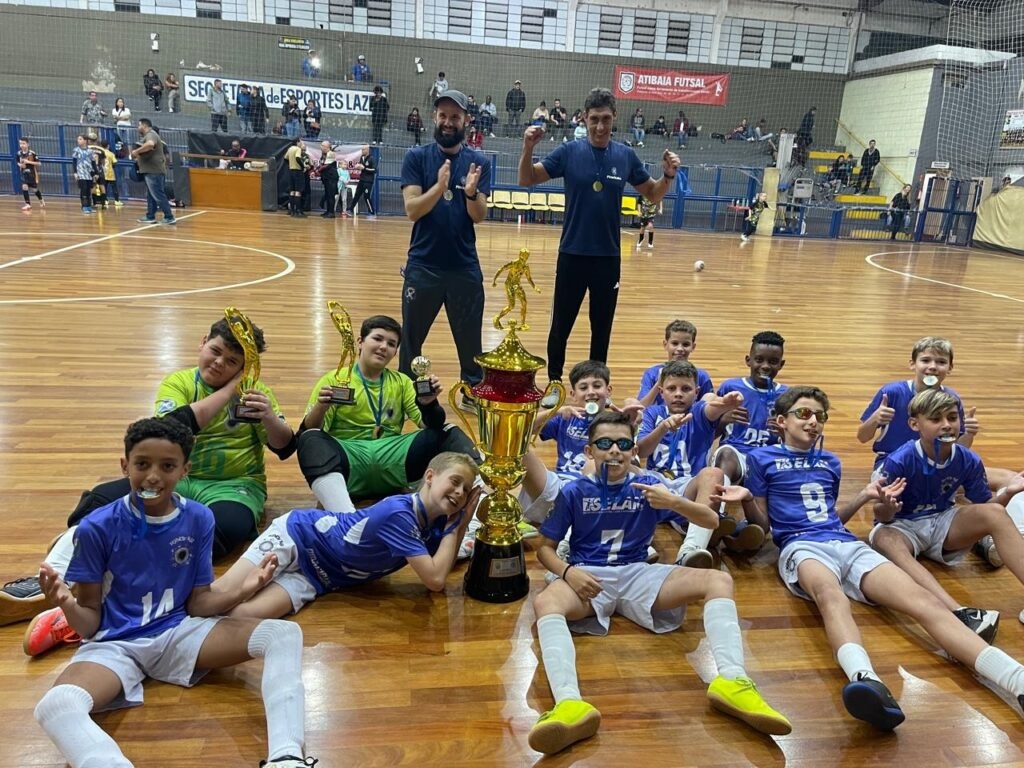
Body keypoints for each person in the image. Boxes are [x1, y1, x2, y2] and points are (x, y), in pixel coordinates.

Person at [717, 385, 1024, 730]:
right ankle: (865, 678)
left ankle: (1016, 680)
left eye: (820, 415)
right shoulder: (760, 460)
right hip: (800, 545)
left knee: (923, 602)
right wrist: (745, 500)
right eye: (803, 413)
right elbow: (766, 528)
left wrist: (863, 496)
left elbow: (834, 518)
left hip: (845, 542)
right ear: (781, 421)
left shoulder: (831, 462)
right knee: (830, 596)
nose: (813, 421)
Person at [29, 418, 315, 768]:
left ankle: (287, 757)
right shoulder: (95, 528)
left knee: (283, 633)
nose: (153, 476)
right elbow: (90, 625)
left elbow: (199, 603)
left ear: (185, 470)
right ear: (124, 465)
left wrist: (245, 589)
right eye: (142, 464)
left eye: (167, 466)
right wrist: (66, 604)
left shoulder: (199, 518)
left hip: (178, 632)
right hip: (115, 644)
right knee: (57, 705)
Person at [527, 411, 791, 755]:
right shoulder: (574, 491)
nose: (614, 451)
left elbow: (711, 518)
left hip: (639, 572)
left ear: (633, 449)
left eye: (623, 444)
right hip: (588, 574)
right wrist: (567, 572)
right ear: (590, 451)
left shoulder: (650, 487)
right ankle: (569, 705)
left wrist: (675, 501)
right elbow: (544, 550)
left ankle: (733, 681)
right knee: (546, 602)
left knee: (717, 582)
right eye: (604, 444)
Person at [518, 87, 679, 404]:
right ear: (584, 118)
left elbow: (653, 193)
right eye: (594, 119)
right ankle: (554, 384)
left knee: (600, 328)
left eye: (606, 119)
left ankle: (596, 388)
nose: (600, 126)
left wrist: (668, 175)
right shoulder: (568, 152)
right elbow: (527, 179)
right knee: (560, 324)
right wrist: (527, 148)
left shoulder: (625, 155)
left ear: (614, 118)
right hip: (572, 254)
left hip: (607, 258)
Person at [208, 452, 479, 620]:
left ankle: (188, 639)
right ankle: (168, 622)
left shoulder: (437, 522)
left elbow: (439, 572)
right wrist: (458, 525)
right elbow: (434, 579)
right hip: (297, 536)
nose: (459, 493)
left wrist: (460, 524)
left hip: (320, 578)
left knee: (242, 616)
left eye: (466, 490)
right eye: (455, 481)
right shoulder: (399, 513)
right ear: (430, 476)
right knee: (220, 595)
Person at [869, 389, 1024, 640]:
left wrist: (1009, 493)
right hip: (901, 525)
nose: (946, 425)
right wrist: (887, 506)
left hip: (943, 521)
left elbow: (987, 506)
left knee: (995, 513)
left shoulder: (968, 460)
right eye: (936, 419)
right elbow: (881, 517)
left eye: (952, 418)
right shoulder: (900, 460)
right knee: (884, 537)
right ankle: (958, 612)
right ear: (914, 424)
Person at [295, 314, 476, 513]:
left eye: (391, 344)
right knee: (308, 438)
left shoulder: (402, 382)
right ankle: (345, 515)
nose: (383, 347)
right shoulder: (335, 379)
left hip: (393, 458)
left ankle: (483, 499)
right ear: (360, 342)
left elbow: (429, 425)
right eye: (378, 338)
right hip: (349, 458)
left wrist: (429, 404)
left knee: (447, 431)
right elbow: (312, 431)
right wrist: (321, 406)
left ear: (395, 352)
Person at [398, 90, 490, 397]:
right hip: (424, 265)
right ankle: (409, 395)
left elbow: (478, 216)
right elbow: (412, 210)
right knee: (411, 339)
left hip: (464, 266)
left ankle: (471, 392)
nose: (448, 122)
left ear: (466, 120)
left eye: (455, 116)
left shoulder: (478, 162)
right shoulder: (417, 157)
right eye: (443, 116)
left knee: (470, 340)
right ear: (434, 119)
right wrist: (439, 187)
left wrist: (470, 193)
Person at [637, 361, 746, 566]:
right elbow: (642, 451)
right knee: (629, 469)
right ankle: (640, 546)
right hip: (655, 483)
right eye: (672, 388)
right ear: (661, 391)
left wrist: (725, 404)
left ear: (696, 392)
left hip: (688, 487)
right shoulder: (652, 413)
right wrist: (662, 429)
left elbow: (712, 409)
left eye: (686, 389)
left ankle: (690, 551)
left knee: (714, 473)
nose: (678, 394)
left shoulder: (698, 412)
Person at [857, 336, 973, 474]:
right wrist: (874, 419)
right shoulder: (891, 393)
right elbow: (862, 437)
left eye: (941, 362)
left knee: (1000, 477)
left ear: (950, 367)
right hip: (894, 464)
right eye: (925, 360)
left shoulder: (952, 399)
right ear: (912, 364)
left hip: (937, 465)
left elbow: (958, 448)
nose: (933, 367)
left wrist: (969, 433)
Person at [712, 330, 788, 487]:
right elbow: (708, 434)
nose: (765, 366)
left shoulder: (787, 395)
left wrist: (784, 433)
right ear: (748, 360)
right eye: (759, 360)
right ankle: (719, 508)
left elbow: (795, 442)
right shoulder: (730, 387)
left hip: (769, 458)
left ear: (781, 364)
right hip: (736, 454)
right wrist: (723, 421)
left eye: (773, 361)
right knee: (726, 455)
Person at [635, 319, 714, 408]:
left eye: (685, 344)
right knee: (630, 402)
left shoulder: (702, 376)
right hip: (658, 420)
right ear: (665, 344)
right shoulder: (652, 373)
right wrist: (659, 383)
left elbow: (709, 408)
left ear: (693, 347)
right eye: (675, 343)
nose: (680, 348)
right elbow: (641, 408)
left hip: (689, 420)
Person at [131, 117, 176, 225]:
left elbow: (150, 144)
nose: (138, 128)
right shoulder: (148, 135)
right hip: (151, 170)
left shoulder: (151, 134)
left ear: (144, 126)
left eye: (139, 125)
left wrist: (136, 151)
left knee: (158, 194)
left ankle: (169, 216)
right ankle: (150, 216)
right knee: (151, 195)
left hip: (153, 171)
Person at [16, 137, 45, 212]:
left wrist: (28, 162)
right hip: (24, 174)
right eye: (20, 143)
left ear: (28, 144)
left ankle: (41, 199)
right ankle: (28, 204)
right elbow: (17, 162)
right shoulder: (19, 153)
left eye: (23, 143)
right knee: (24, 187)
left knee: (35, 189)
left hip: (32, 175)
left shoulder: (32, 153)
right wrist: (20, 165)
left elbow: (39, 163)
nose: (22, 145)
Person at [72, 134, 99, 215]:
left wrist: (96, 173)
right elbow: (74, 162)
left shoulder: (90, 151)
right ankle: (84, 206)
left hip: (88, 173)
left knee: (88, 190)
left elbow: (93, 162)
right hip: (81, 173)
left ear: (85, 141)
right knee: (83, 189)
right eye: (78, 139)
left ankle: (89, 206)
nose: (78, 141)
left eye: (80, 139)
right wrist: (75, 172)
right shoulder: (76, 150)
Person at [347, 144, 377, 217]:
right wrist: (358, 167)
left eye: (363, 149)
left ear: (367, 150)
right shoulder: (362, 157)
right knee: (357, 195)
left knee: (366, 196)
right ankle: (350, 210)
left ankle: (372, 212)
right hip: (362, 179)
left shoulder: (372, 158)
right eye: (362, 149)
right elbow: (361, 167)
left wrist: (364, 168)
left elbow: (374, 170)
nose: (362, 151)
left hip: (368, 181)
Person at [284, 137, 308, 218]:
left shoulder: (290, 149)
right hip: (297, 171)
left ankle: (291, 210)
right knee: (298, 191)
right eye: (300, 142)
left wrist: (291, 164)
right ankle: (298, 211)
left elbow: (285, 158)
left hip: (291, 171)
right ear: (297, 142)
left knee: (292, 191)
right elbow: (298, 158)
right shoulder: (298, 149)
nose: (301, 143)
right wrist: (302, 166)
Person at [97, 139, 121, 208]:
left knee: (104, 187)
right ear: (108, 146)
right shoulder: (111, 154)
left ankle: (105, 200)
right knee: (114, 188)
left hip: (102, 174)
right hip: (110, 174)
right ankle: (117, 201)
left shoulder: (100, 153)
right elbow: (115, 162)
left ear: (100, 145)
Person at [317, 140, 338, 218]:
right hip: (326, 177)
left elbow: (326, 165)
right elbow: (321, 163)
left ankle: (331, 212)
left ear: (327, 147)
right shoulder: (323, 154)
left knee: (331, 195)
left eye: (322, 146)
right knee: (327, 194)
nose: (321, 147)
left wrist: (317, 170)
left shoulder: (331, 154)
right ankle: (328, 211)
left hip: (331, 177)